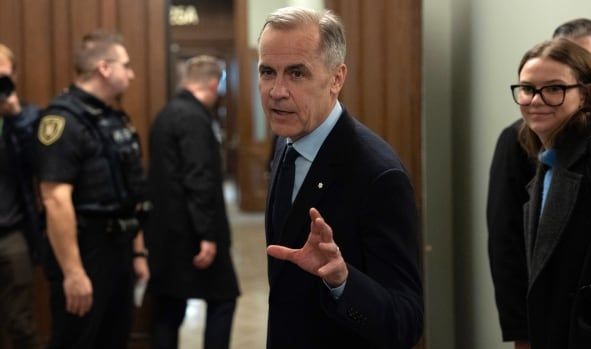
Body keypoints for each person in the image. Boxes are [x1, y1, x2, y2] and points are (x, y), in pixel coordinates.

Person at [258, 7, 423, 349]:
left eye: (296, 74)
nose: (276, 91)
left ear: (336, 78)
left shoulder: (378, 174)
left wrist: (342, 282)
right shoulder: (284, 141)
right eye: (267, 72)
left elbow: (406, 322)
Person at [487, 18, 591, 349]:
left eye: (555, 89)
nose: (536, 100)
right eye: (528, 89)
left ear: (586, 93)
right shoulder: (547, 158)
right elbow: (510, 246)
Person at [35, 30, 150, 349]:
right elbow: (55, 200)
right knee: (77, 339)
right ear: (104, 67)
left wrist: (138, 252)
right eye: (125, 65)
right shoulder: (62, 120)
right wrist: (73, 273)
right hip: (86, 250)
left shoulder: (114, 118)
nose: (131, 73)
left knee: (115, 336)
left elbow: (131, 194)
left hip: (121, 248)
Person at [146, 55, 240, 349]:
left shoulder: (167, 114)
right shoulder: (195, 117)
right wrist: (207, 234)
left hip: (166, 232)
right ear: (214, 85)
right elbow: (199, 179)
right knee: (223, 299)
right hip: (192, 235)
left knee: (168, 310)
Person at [0, 43, 42, 349]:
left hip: (10, 232)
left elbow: (42, 164)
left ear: (15, 76)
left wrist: (14, 115)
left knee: (21, 323)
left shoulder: (27, 117)